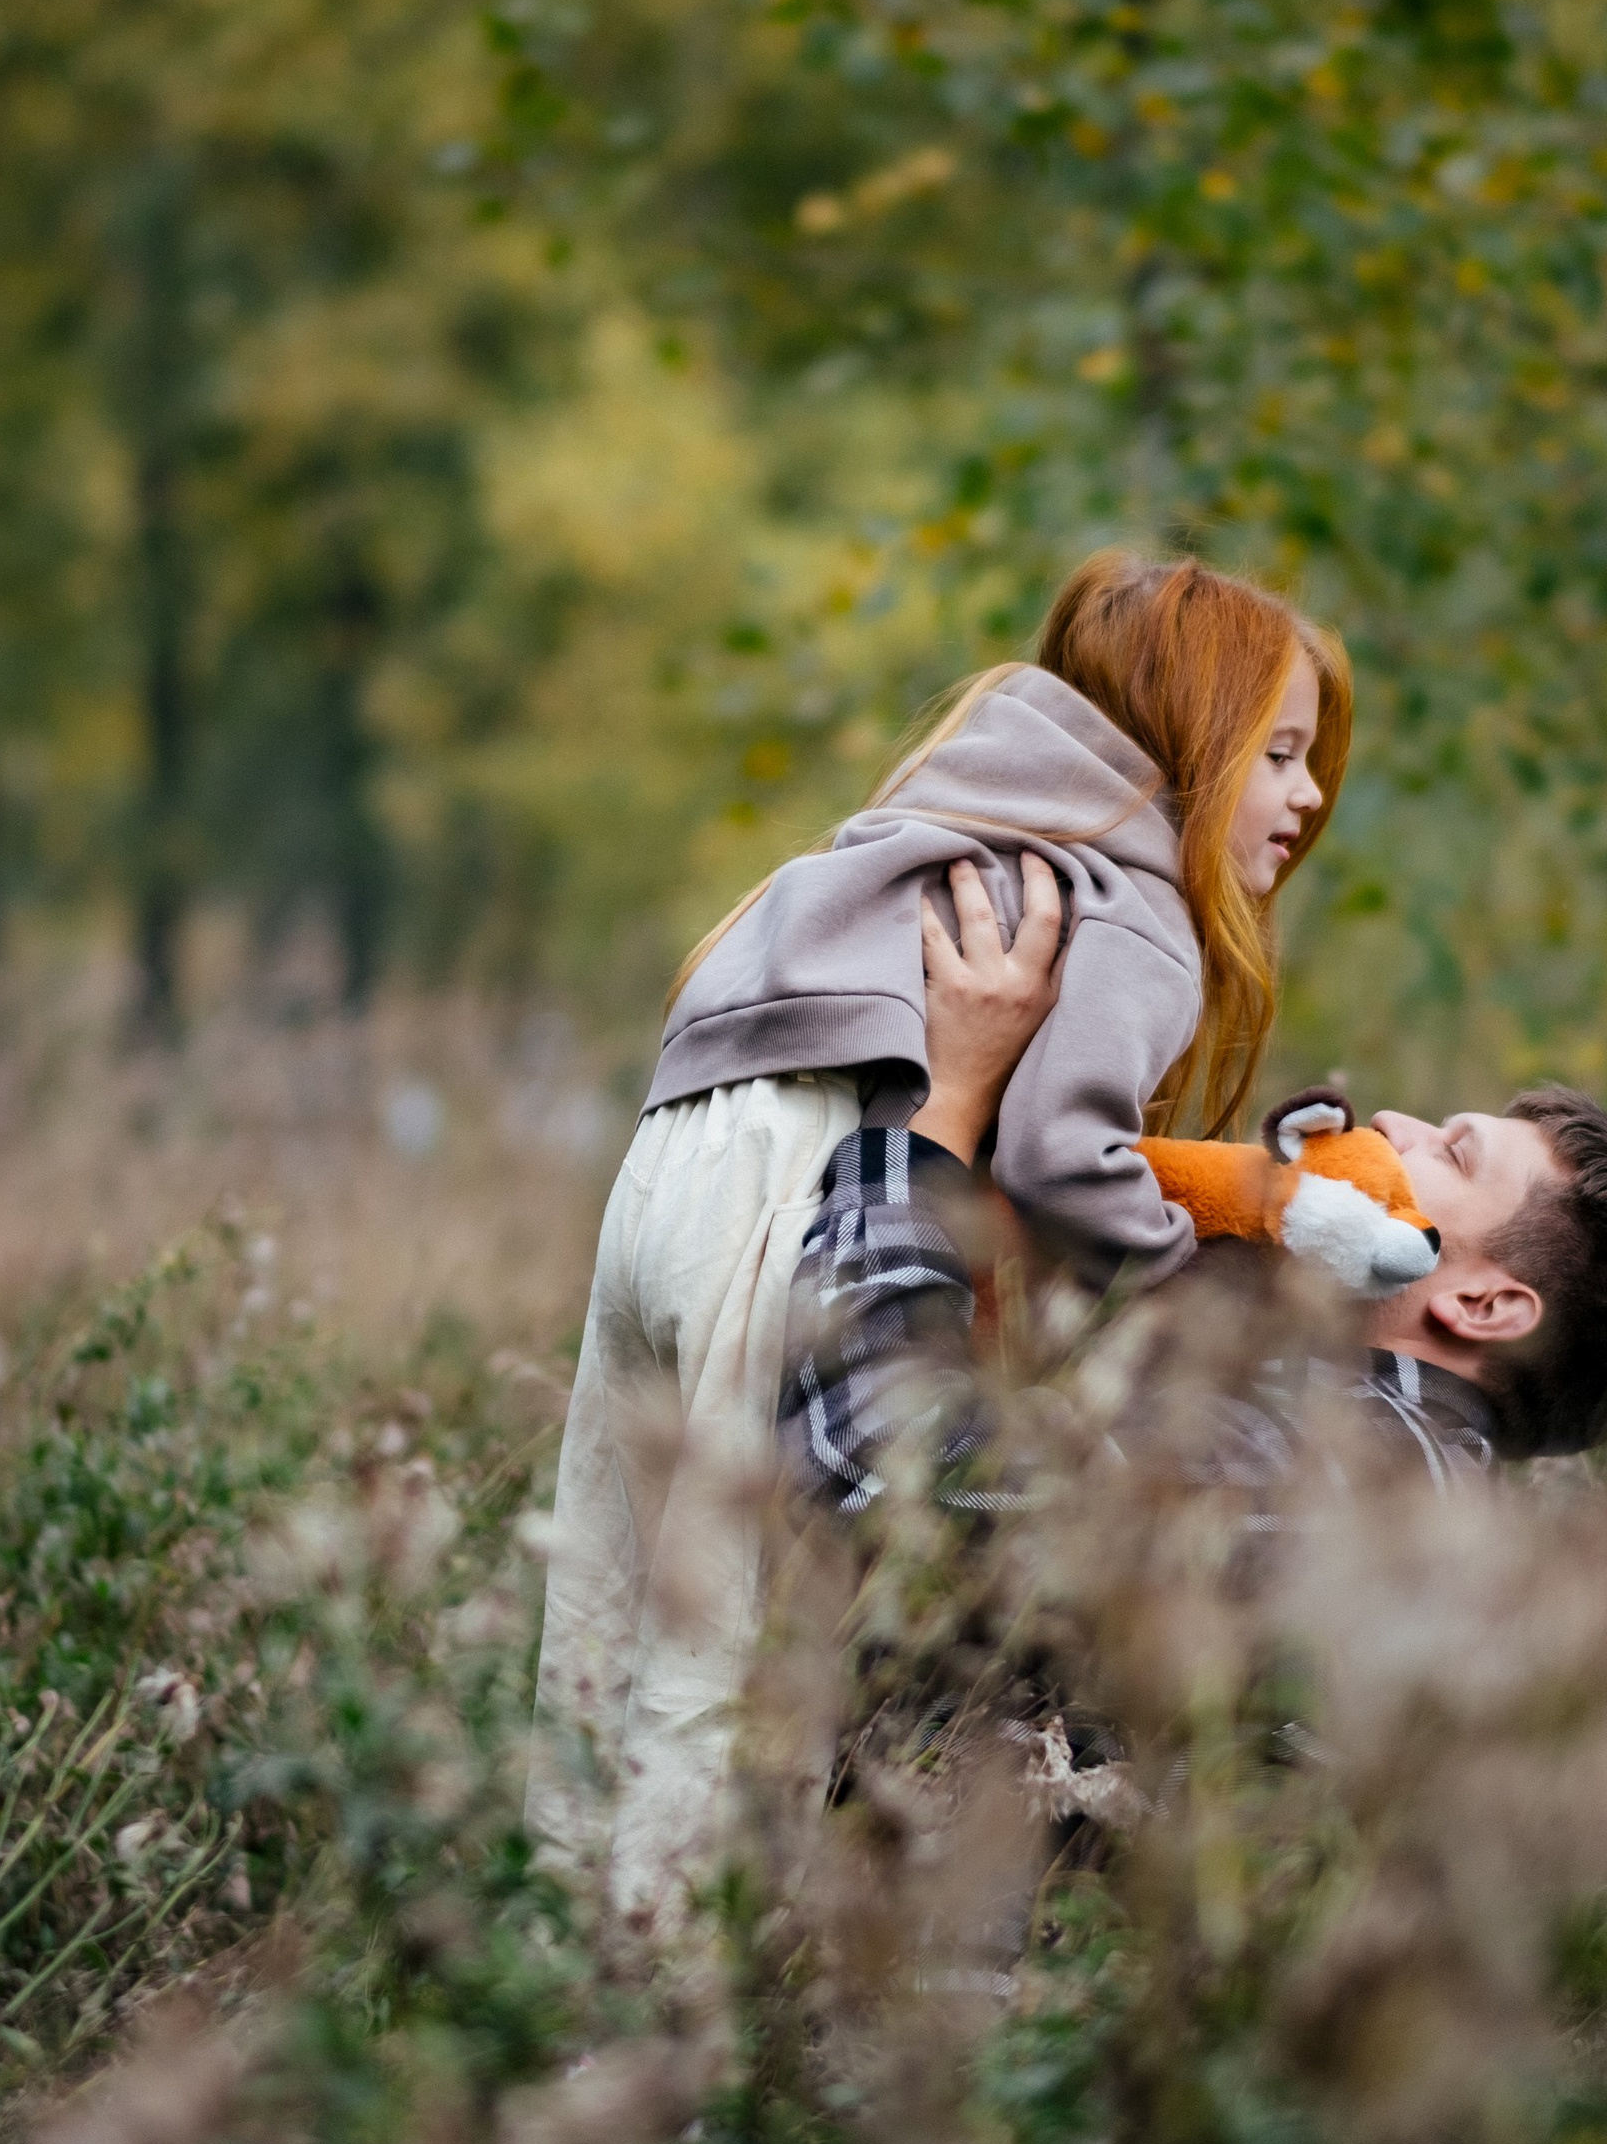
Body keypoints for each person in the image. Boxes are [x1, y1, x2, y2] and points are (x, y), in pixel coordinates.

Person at [530, 551, 1351, 1918]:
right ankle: (654, 2018)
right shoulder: (1128, 904)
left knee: (607, 1596)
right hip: (798, 1182)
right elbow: (1056, 1158)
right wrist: (1184, 1299)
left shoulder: (962, 811)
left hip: (673, 1153)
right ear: (1193, 747)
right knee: (726, 1649)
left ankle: (547, 1920)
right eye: (1276, 755)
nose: (1308, 797)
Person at [781, 856, 1607, 1513]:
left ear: (1487, 1305)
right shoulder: (1353, 1447)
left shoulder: (1336, 1472)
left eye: (1454, 1155)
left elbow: (881, 1473)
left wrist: (942, 1109)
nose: (1390, 1128)